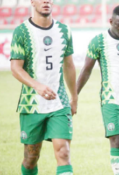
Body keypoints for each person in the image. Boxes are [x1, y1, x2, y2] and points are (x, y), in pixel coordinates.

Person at [76, 5, 119, 175]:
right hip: (110, 98)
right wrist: (74, 95)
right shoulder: (98, 41)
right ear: (111, 21)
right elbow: (86, 70)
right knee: (117, 139)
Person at [10, 0, 77, 174]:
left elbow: (69, 65)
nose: (46, 1)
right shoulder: (21, 31)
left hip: (59, 103)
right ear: (32, 1)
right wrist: (37, 86)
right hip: (31, 104)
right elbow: (16, 68)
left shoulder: (64, 31)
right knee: (31, 158)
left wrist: (74, 97)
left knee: (63, 152)